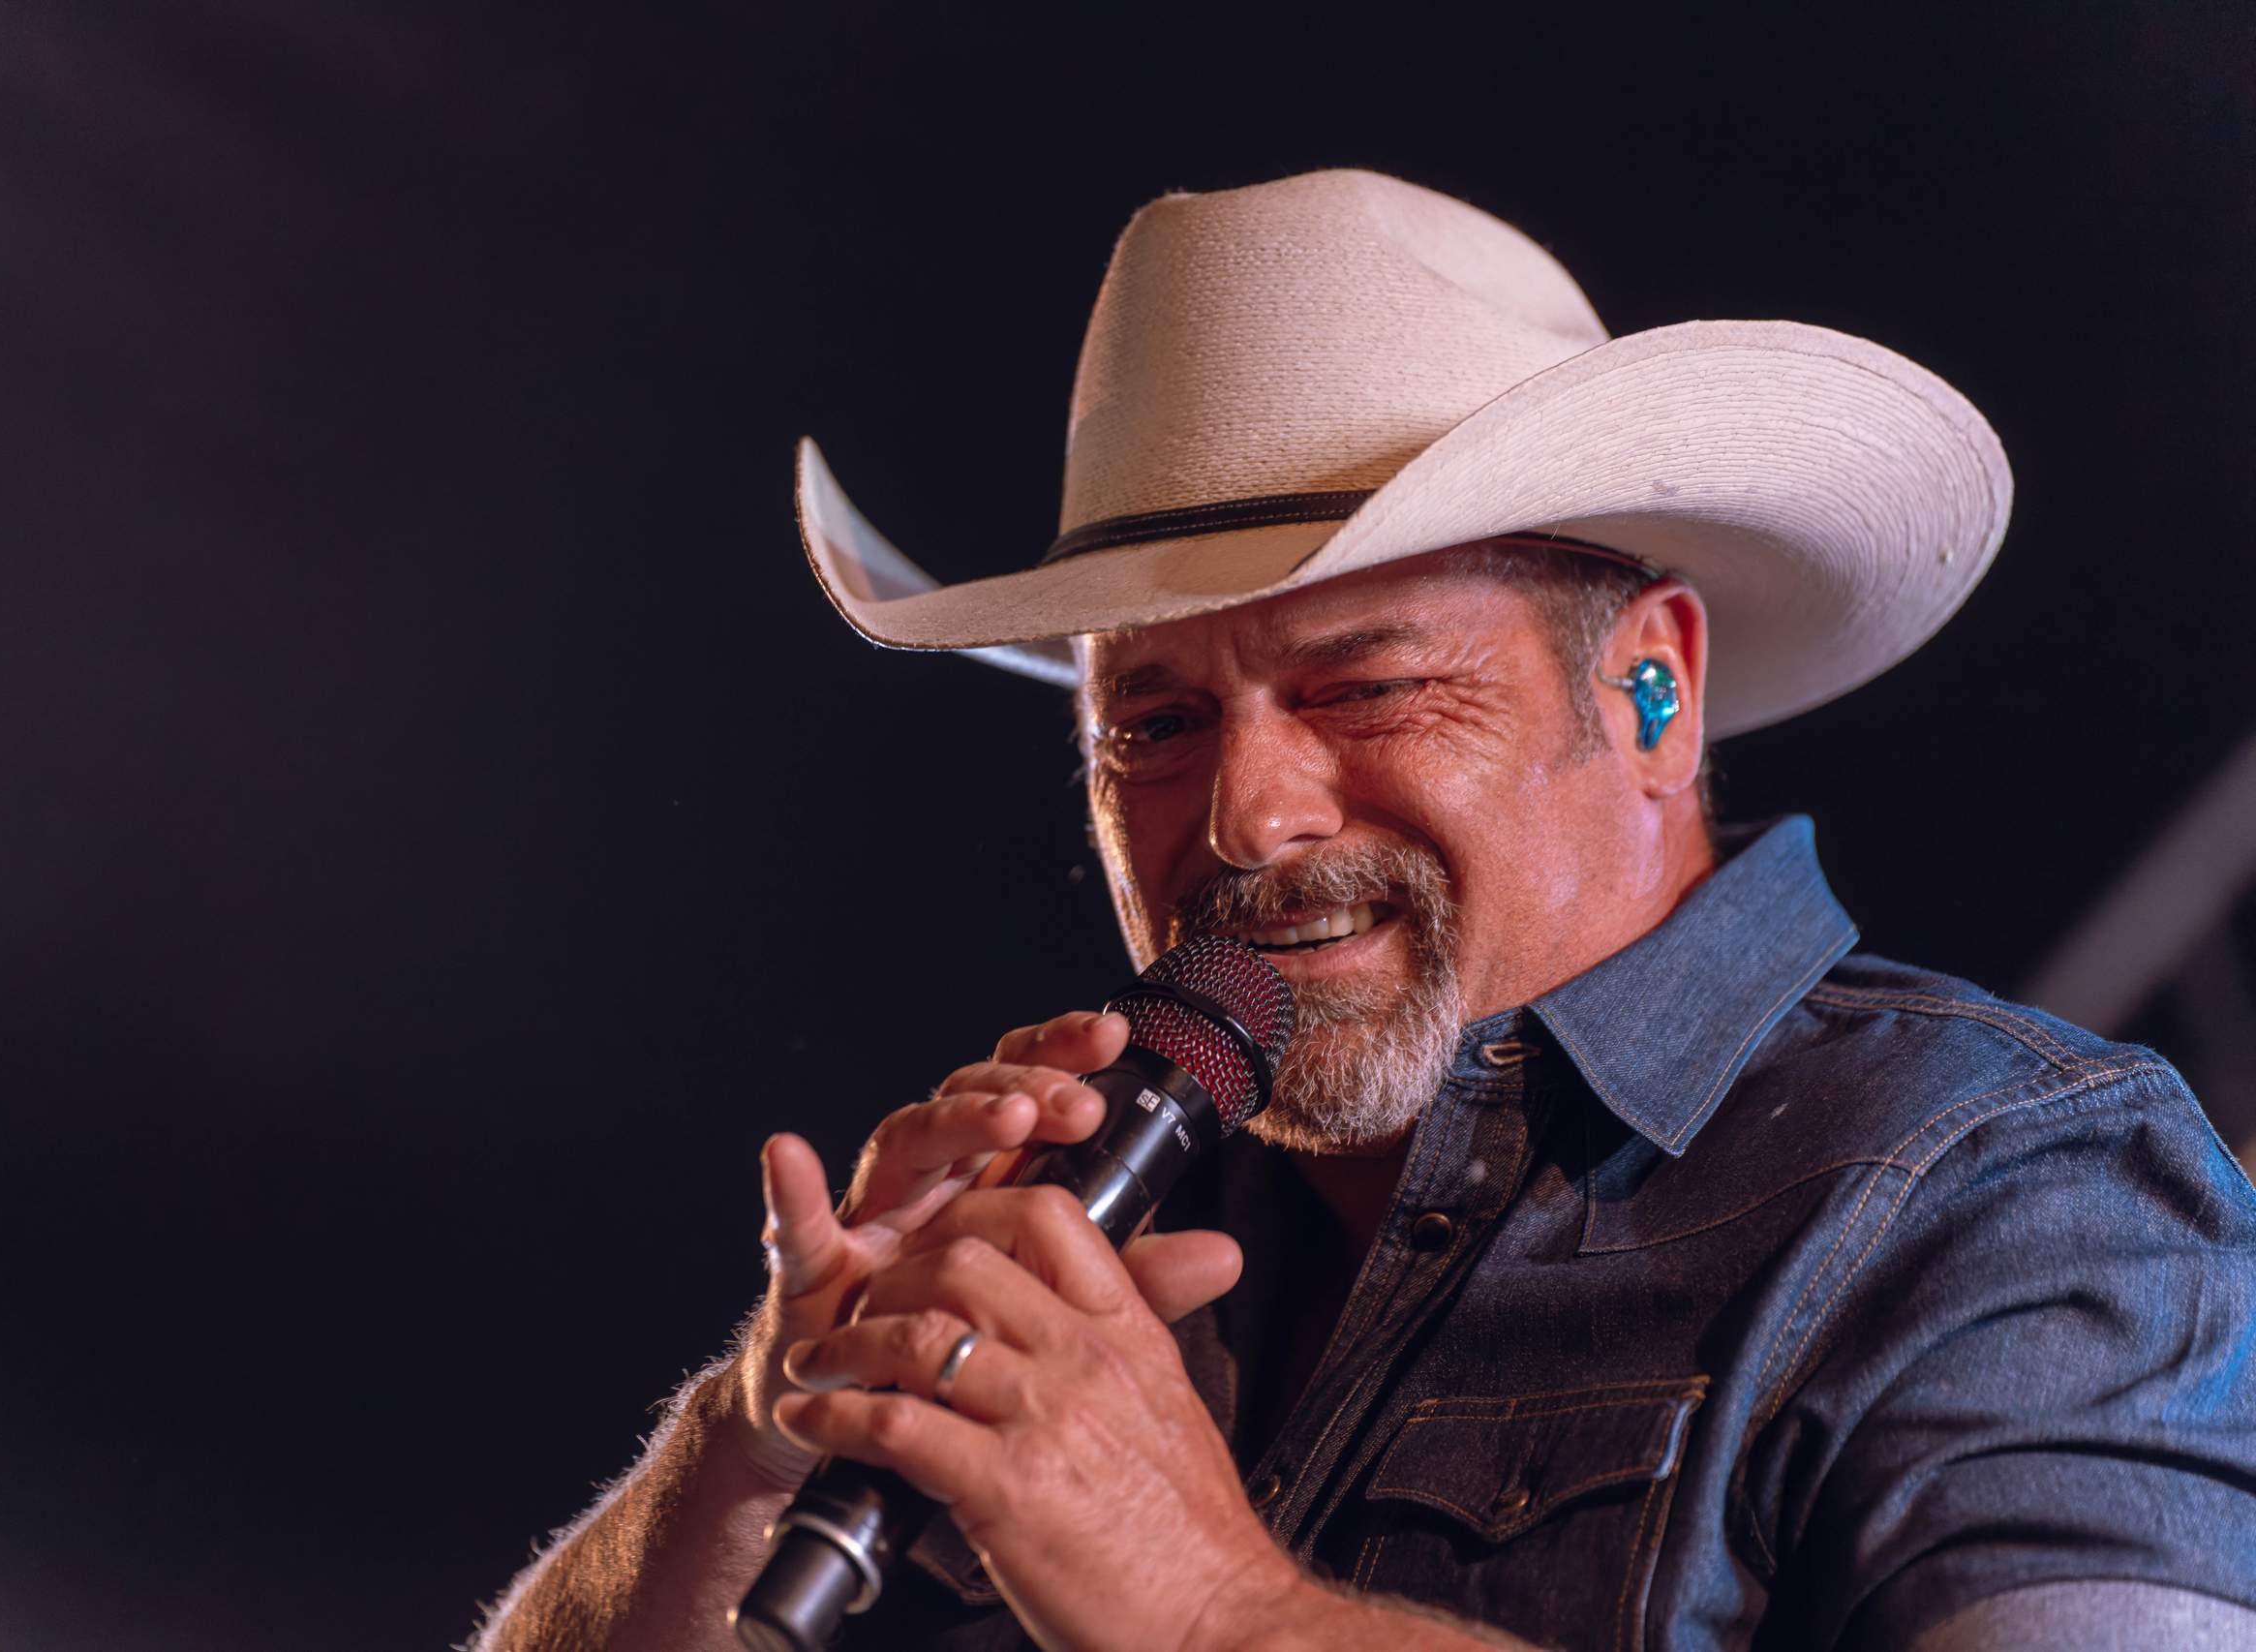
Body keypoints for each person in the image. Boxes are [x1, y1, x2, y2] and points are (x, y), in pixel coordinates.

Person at [472, 170, 2256, 1650]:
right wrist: (766, 1427)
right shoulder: (1115, 1244)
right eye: (1154, 723)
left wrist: (1206, 1602)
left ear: (1650, 691)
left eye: (1366, 687)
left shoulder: (2014, 1190)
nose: (1247, 815)